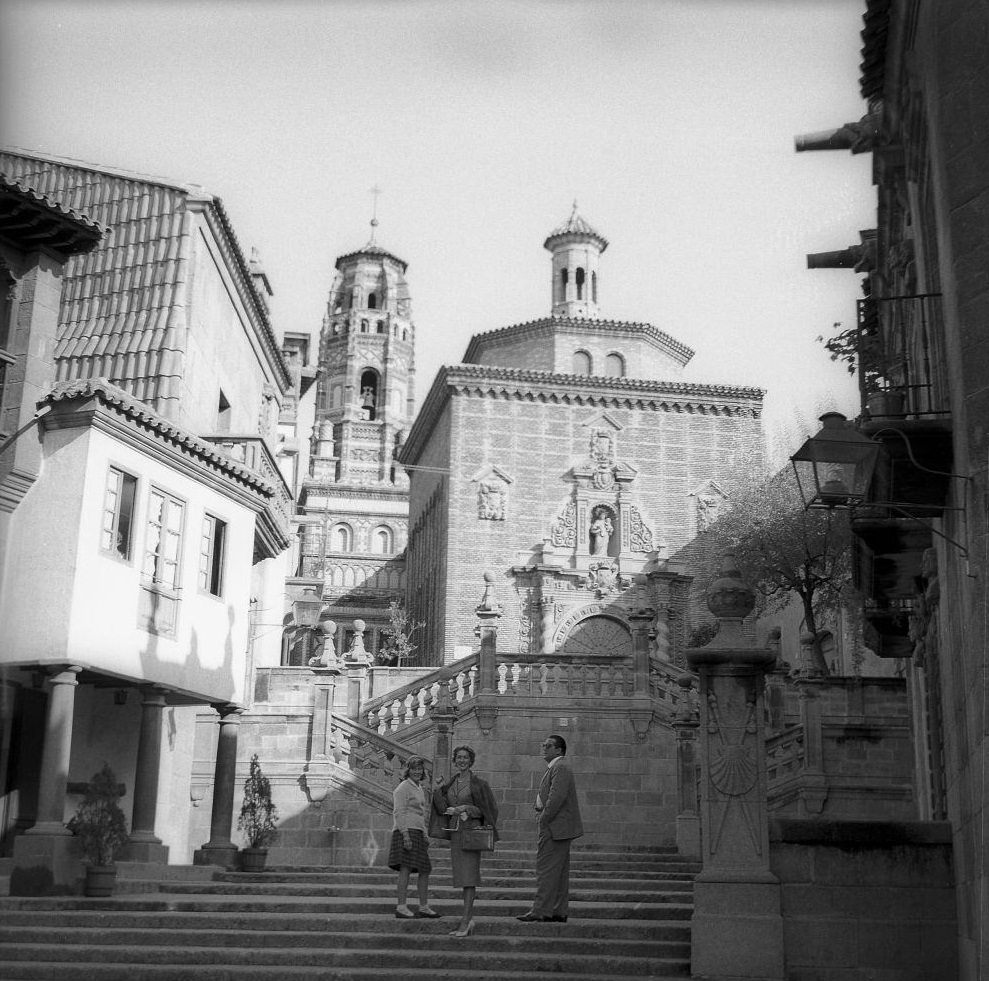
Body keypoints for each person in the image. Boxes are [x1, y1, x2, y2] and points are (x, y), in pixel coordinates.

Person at [431, 744, 499, 938]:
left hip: (471, 834)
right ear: (455, 760)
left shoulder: (479, 784)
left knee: (469, 878)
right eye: (459, 757)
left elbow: (489, 810)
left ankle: (466, 921)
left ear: (471, 760)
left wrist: (465, 809)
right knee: (462, 878)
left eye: (465, 757)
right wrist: (437, 790)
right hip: (456, 834)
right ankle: (467, 918)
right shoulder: (451, 783)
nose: (462, 760)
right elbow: (442, 807)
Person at [517, 734, 583, 923]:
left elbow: (556, 797)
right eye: (543, 744)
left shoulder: (560, 766)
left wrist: (543, 819)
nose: (544, 747)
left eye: (548, 745)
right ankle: (557, 910)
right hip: (559, 827)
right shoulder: (558, 767)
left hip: (553, 827)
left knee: (546, 870)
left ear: (559, 750)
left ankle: (540, 911)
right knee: (559, 873)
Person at [388, 755, 441, 920]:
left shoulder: (418, 788)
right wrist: (405, 835)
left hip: (417, 831)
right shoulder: (403, 787)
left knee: (425, 869)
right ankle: (401, 907)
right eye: (414, 768)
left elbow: (420, 814)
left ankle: (424, 907)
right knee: (406, 869)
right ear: (408, 770)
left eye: (420, 769)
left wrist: (424, 834)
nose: (417, 771)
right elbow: (399, 812)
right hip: (406, 831)